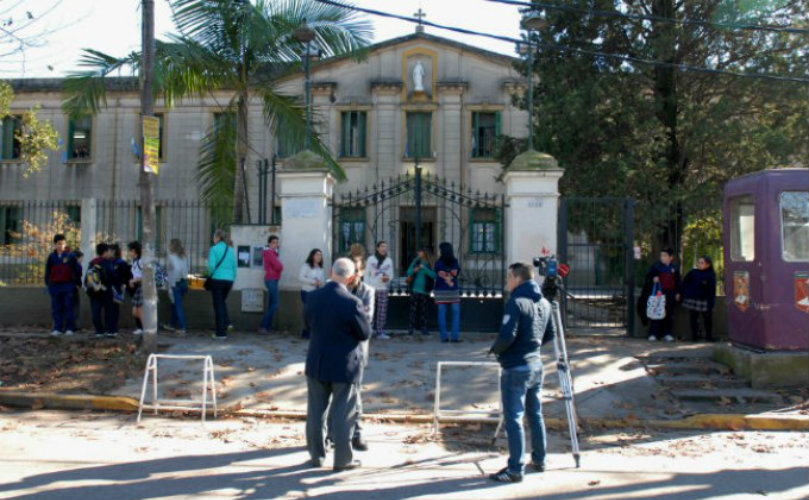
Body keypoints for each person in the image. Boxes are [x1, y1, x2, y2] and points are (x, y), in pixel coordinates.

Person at [489, 262, 555, 483]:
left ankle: (515, 468)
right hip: (536, 364)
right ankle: (539, 459)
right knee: (535, 413)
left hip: (516, 366)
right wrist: (531, 346)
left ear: (516, 278)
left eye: (509, 277)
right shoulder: (544, 303)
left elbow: (507, 335)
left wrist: (495, 350)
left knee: (514, 418)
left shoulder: (516, 302)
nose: (507, 282)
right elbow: (550, 334)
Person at [304, 258, 372, 472]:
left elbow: (307, 324)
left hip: (317, 361)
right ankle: (342, 460)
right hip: (344, 365)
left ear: (331, 272)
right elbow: (365, 333)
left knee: (315, 412)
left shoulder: (313, 297)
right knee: (344, 414)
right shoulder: (351, 302)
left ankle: (316, 456)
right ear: (351, 277)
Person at [44, 234, 81, 336]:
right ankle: (57, 328)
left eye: (63, 244)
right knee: (56, 307)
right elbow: (48, 271)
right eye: (59, 244)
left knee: (68, 306)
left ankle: (70, 328)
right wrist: (48, 283)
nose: (61, 246)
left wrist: (77, 283)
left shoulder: (70, 256)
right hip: (55, 286)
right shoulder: (52, 257)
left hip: (68, 285)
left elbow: (77, 270)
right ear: (55, 245)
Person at [644, 248, 681, 342]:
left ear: (671, 257)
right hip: (659, 293)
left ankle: (667, 333)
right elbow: (648, 276)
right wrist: (653, 278)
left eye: (665, 256)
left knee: (668, 313)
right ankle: (653, 334)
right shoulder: (656, 266)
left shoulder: (674, 268)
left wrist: (678, 292)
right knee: (656, 313)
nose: (662, 258)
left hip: (670, 293)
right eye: (661, 255)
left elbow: (678, 281)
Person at [207, 229, 237, 340]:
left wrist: (210, 275)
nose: (213, 239)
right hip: (229, 280)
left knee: (218, 305)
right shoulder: (230, 250)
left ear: (218, 238)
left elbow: (211, 266)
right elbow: (234, 267)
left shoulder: (214, 249)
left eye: (214, 237)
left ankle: (221, 333)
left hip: (217, 280)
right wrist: (232, 278)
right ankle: (227, 323)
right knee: (221, 302)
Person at [681, 255, 717, 342]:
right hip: (693, 299)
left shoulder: (710, 275)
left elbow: (712, 289)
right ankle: (694, 336)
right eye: (699, 262)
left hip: (704, 300)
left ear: (707, 264)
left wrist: (711, 302)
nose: (699, 264)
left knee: (707, 318)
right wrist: (685, 293)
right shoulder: (693, 272)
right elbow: (685, 282)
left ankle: (708, 336)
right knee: (693, 317)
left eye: (702, 262)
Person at [86, 243, 118, 338]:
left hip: (94, 291)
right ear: (105, 252)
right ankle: (109, 330)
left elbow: (87, 277)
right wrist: (118, 285)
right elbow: (113, 276)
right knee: (109, 311)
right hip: (106, 290)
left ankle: (99, 330)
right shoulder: (107, 263)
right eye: (108, 251)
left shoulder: (92, 262)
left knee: (95, 311)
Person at [434, 242, 461, 343]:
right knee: (456, 314)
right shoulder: (455, 261)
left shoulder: (438, 262)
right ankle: (454, 337)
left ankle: (444, 337)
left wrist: (445, 275)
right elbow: (455, 273)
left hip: (440, 291)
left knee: (442, 314)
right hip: (453, 290)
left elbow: (437, 273)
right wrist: (450, 276)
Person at [366, 241, 394, 339]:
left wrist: (388, 279)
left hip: (383, 288)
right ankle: (368, 331)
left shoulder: (389, 260)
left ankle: (380, 332)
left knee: (382, 311)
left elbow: (391, 275)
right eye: (382, 246)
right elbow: (367, 274)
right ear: (377, 248)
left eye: (385, 247)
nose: (384, 248)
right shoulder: (371, 259)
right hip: (372, 288)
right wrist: (367, 287)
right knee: (369, 311)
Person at [406, 247, 436, 336]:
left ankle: (424, 328)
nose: (418, 253)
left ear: (425, 253)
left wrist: (424, 269)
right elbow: (408, 272)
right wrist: (414, 270)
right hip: (415, 289)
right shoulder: (416, 260)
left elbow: (433, 275)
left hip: (425, 290)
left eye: (420, 251)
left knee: (424, 310)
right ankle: (411, 328)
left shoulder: (430, 263)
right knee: (413, 310)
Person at [298, 248, 326, 339]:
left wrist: (321, 282)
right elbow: (301, 277)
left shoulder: (321, 268)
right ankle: (306, 331)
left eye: (320, 255)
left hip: (316, 292)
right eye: (317, 254)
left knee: (315, 313)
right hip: (307, 292)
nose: (319, 257)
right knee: (307, 313)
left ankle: (312, 331)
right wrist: (312, 281)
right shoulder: (306, 266)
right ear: (312, 255)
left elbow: (323, 280)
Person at [163, 238, 189, 334]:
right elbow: (186, 269)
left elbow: (174, 271)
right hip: (184, 282)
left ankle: (183, 327)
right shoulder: (184, 256)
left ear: (172, 246)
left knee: (178, 306)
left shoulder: (171, 256)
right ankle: (171, 324)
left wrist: (173, 282)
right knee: (175, 304)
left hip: (176, 283)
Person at [259, 235, 284, 334]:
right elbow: (279, 266)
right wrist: (280, 266)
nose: (275, 244)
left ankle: (268, 326)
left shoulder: (273, 253)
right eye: (273, 242)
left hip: (273, 279)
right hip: (271, 279)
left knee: (271, 304)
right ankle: (263, 326)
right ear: (269, 243)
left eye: (276, 243)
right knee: (275, 304)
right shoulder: (269, 252)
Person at [127, 241, 144, 335]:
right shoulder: (135, 261)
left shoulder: (141, 261)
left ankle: (144, 328)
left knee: (140, 310)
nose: (129, 253)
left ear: (133, 251)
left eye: (129, 251)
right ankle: (140, 327)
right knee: (135, 311)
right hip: (138, 287)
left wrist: (135, 280)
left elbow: (147, 275)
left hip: (143, 287)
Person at [72, 250, 84, 331]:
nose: (82, 260)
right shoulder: (78, 266)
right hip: (74, 288)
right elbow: (78, 277)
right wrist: (79, 285)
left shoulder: (67, 265)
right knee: (75, 306)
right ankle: (75, 325)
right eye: (82, 258)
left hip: (67, 287)